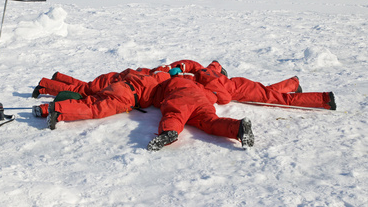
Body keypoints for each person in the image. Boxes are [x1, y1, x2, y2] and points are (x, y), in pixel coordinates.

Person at [35, 71, 171, 130]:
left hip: (120, 85)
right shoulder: (166, 87)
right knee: (92, 108)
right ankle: (54, 110)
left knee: (85, 94)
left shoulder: (156, 75)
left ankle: (46, 96)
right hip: (127, 97)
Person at [147, 76, 254, 151]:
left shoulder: (171, 81)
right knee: (211, 122)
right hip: (201, 100)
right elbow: (212, 96)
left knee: (175, 114)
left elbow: (155, 95)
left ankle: (168, 132)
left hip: (180, 96)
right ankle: (238, 127)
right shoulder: (200, 86)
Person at [31, 60, 224, 99]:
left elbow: (183, 64)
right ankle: (45, 86)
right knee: (85, 92)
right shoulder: (192, 74)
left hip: (124, 77)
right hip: (124, 82)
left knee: (87, 88)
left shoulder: (186, 70)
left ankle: (56, 79)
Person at [194, 67, 336, 110]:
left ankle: (324, 99)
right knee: (268, 91)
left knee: (283, 100)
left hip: (245, 91)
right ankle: (292, 84)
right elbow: (215, 65)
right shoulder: (202, 72)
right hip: (241, 83)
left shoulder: (207, 84)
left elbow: (225, 99)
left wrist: (213, 96)